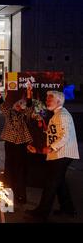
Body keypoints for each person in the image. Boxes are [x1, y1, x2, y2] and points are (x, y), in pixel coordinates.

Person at [25, 91, 80, 222]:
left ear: (59, 102)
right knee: (59, 183)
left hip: (62, 154)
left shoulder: (63, 115)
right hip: (59, 154)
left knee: (50, 183)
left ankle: (41, 213)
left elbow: (65, 136)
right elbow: (53, 137)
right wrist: (39, 150)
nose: (47, 101)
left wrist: (50, 148)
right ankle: (68, 210)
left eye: (50, 100)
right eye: (47, 99)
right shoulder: (56, 115)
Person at [0, 79, 34, 204]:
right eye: (17, 104)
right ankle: (7, 197)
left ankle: (21, 197)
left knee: (20, 170)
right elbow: (1, 104)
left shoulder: (25, 114)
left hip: (22, 144)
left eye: (20, 104)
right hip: (10, 143)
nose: (18, 105)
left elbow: (29, 106)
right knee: (9, 170)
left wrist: (29, 92)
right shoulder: (9, 113)